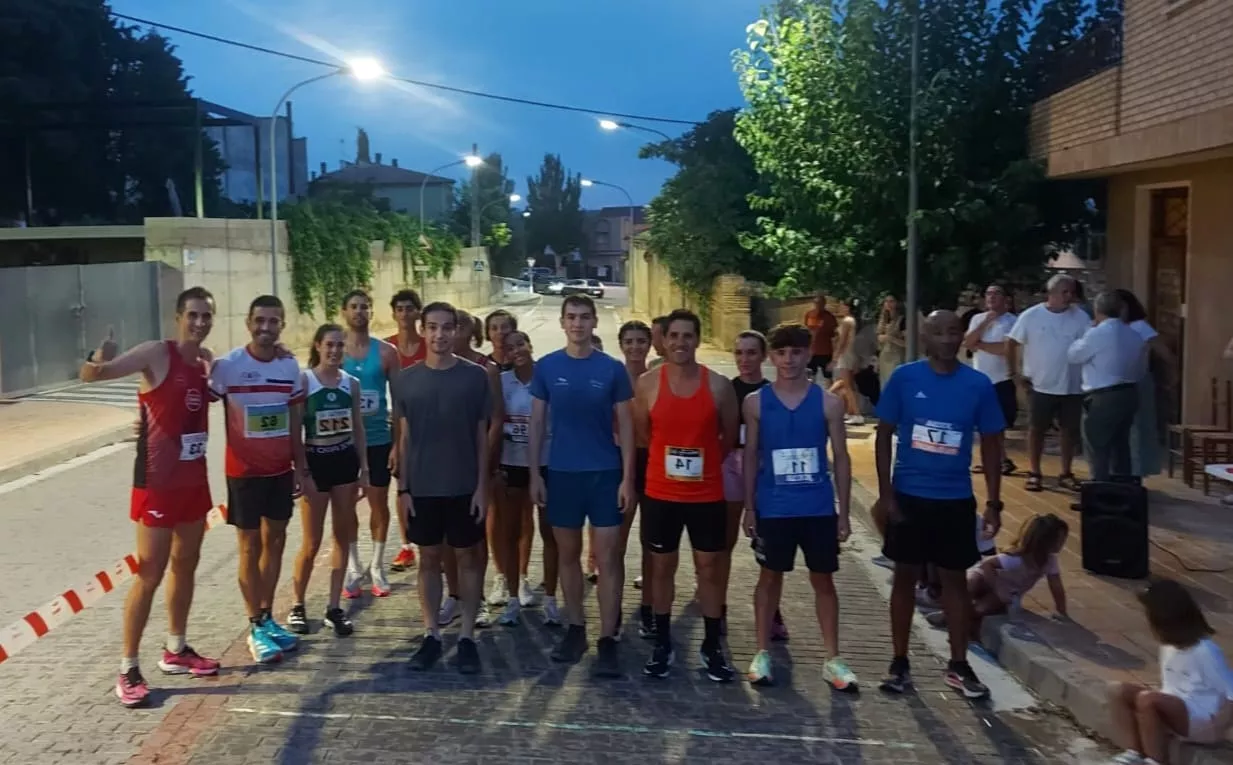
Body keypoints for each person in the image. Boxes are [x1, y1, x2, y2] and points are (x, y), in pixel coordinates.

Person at [81, 287, 222, 708]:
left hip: (194, 481)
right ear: (179, 316)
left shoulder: (206, 360)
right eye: (193, 315)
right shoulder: (155, 354)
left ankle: (175, 649)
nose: (199, 322)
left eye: (206, 316)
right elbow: (91, 376)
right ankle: (127, 668)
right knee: (149, 572)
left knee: (186, 564)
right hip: (157, 483)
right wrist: (97, 356)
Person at [875, 309, 1005, 700]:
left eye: (954, 332)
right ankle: (899, 663)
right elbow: (883, 436)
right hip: (911, 497)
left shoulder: (978, 385)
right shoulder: (905, 378)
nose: (947, 339)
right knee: (904, 578)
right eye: (939, 332)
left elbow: (995, 445)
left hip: (954, 499)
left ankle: (959, 663)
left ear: (962, 336)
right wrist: (887, 493)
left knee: (954, 583)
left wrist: (995, 502)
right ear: (925, 337)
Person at [742, 323, 857, 690]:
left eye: (796, 353)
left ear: (809, 355)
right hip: (773, 506)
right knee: (769, 577)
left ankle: (833, 658)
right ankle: (762, 651)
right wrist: (748, 506)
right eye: (781, 353)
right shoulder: (756, 402)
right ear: (771, 357)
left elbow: (840, 457)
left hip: (818, 507)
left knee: (823, 580)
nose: (788, 360)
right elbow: (751, 456)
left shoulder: (829, 403)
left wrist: (844, 510)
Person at [530, 294, 635, 677]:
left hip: (604, 474)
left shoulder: (612, 370)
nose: (578, 323)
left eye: (584, 317)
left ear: (594, 323)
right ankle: (576, 627)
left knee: (609, 560)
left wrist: (628, 478)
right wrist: (534, 475)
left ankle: (608, 638)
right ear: (562, 323)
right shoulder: (547, 367)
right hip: (562, 475)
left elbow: (626, 426)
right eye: (571, 317)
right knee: (568, 556)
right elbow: (538, 425)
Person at [635, 309, 740, 681]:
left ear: (698, 340)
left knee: (709, 569)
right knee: (661, 568)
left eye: (688, 336)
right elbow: (644, 436)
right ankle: (663, 641)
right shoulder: (647, 384)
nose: (680, 343)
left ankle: (712, 645)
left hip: (706, 494)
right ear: (664, 340)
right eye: (673, 336)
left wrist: (704, 462)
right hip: (661, 493)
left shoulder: (719, 386)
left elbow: (728, 436)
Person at [395, 302, 493, 674]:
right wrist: (403, 489)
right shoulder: (406, 379)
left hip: (464, 486)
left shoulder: (475, 377)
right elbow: (404, 438)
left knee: (468, 558)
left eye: (447, 327)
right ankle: (432, 633)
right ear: (422, 330)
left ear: (457, 331)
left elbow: (482, 437)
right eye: (432, 327)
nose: (439, 334)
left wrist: (482, 487)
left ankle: (467, 636)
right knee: (429, 559)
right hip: (422, 487)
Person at [208, 294, 305, 664]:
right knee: (249, 548)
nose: (266, 328)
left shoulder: (288, 366)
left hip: (280, 472)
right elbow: (199, 403)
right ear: (248, 323)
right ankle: (254, 627)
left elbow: (295, 420)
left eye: (274, 321)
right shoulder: (228, 366)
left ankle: (265, 617)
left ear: (282, 325)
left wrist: (300, 465)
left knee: (276, 543)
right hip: (244, 475)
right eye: (260, 321)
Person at [287, 324, 367, 638]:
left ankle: (334, 607)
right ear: (318, 346)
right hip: (316, 462)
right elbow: (295, 430)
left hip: (344, 461)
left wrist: (364, 471)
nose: (334, 351)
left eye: (339, 346)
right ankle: (297, 604)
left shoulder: (352, 384)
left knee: (342, 536)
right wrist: (301, 469)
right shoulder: (305, 382)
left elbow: (358, 428)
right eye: (329, 345)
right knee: (311, 541)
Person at [1106, 579, 1233, 765]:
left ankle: (1156, 761)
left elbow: (1231, 693)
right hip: (1178, 712)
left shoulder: (1205, 651)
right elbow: (1171, 686)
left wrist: (1218, 727)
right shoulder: (1168, 646)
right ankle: (1134, 753)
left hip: (1201, 722)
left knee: (1147, 700)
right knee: (1117, 690)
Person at [724, 330, 788, 641]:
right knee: (722, 542)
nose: (744, 360)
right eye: (738, 353)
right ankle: (717, 604)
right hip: (729, 467)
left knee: (770, 548)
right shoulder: (725, 390)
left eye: (751, 353)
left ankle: (773, 612)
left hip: (765, 471)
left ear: (763, 357)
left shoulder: (772, 393)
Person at [337, 290, 401, 599]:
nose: (360, 312)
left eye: (365, 307)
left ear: (371, 313)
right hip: (343, 443)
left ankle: (377, 566)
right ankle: (353, 566)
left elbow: (400, 402)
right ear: (344, 312)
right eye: (354, 307)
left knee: (378, 503)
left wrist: (397, 444)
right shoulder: (335, 350)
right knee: (346, 505)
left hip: (377, 439)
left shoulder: (387, 352)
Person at [1006, 275, 1091, 492]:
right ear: (1051, 293)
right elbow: (1011, 343)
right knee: (1036, 429)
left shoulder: (1080, 317)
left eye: (1071, 292)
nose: (1069, 296)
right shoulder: (1031, 316)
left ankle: (1066, 472)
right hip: (1039, 384)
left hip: (1072, 385)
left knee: (1069, 430)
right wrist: (1014, 373)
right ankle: (1034, 472)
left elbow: (1090, 346)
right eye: (1064, 292)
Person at [493, 330, 555, 626]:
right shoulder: (502, 382)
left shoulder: (548, 377)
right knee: (511, 531)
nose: (516, 350)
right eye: (509, 347)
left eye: (521, 344)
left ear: (530, 345)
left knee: (550, 533)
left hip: (546, 464)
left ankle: (552, 599)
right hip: (511, 463)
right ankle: (514, 598)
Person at [448, 310, 503, 629]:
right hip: (444, 464)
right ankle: (454, 595)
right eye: (450, 326)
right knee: (445, 538)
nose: (455, 332)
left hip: (475, 462)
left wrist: (484, 455)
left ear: (472, 331)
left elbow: (497, 418)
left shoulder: (486, 369)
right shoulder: (435, 366)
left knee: (475, 536)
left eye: (462, 326)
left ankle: (477, 598)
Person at [926, 513, 1068, 636]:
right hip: (987, 578)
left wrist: (1062, 611)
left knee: (982, 608)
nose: (1062, 545)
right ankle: (949, 613)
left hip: (1006, 593)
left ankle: (959, 619)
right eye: (1059, 541)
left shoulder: (1049, 562)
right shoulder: (1016, 559)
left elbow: (1056, 586)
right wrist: (998, 586)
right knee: (970, 583)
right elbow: (987, 565)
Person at [1067, 291, 1144, 482]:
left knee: (1097, 446)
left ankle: (1099, 490)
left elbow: (1074, 355)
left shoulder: (1097, 333)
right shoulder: (1134, 334)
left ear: (1097, 309)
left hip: (1103, 395)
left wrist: (1086, 333)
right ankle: (1122, 489)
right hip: (1129, 392)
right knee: (1121, 445)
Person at [618, 320, 656, 637]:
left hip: (653, 463)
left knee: (651, 540)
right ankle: (612, 604)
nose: (635, 347)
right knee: (615, 539)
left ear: (649, 344)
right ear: (621, 345)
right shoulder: (611, 378)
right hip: (617, 463)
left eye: (640, 341)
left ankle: (648, 607)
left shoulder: (656, 380)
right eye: (629, 341)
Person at [387, 289, 426, 573]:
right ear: (393, 314)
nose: (404, 314)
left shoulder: (429, 345)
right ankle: (406, 545)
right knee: (401, 484)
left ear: (417, 313)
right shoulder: (387, 348)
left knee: (426, 484)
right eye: (399, 309)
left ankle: (428, 540)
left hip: (426, 424)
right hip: (394, 424)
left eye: (409, 308)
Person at [963, 284, 1019, 476]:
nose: (992, 297)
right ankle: (993, 459)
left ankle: (1000, 459)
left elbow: (1005, 349)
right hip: (981, 378)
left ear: (1006, 299)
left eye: (997, 293)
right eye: (988, 293)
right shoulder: (978, 318)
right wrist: (984, 323)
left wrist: (980, 344)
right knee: (982, 423)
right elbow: (968, 343)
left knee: (998, 423)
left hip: (1002, 378)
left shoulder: (1013, 321)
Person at [1116, 289, 1168, 479]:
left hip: (1138, 381)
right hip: (1115, 382)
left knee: (1137, 428)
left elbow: (1162, 350)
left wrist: (1172, 372)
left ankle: (1136, 471)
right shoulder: (1109, 327)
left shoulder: (1139, 326)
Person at [829, 300, 864, 425]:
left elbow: (843, 341)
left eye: (842, 305)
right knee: (846, 384)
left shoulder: (847, 321)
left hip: (846, 354)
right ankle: (850, 411)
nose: (840, 307)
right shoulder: (852, 320)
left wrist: (835, 357)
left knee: (847, 384)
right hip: (850, 353)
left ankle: (857, 413)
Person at [804, 293, 838, 382]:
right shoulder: (809, 315)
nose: (818, 305)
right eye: (816, 303)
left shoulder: (829, 317)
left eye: (821, 303)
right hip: (811, 352)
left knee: (828, 378)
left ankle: (829, 395)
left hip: (826, 352)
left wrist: (835, 357)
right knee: (809, 377)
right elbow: (805, 332)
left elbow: (835, 337)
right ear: (813, 303)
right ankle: (811, 395)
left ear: (824, 304)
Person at [876, 295, 906, 385]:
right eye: (886, 301)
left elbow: (907, 343)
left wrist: (890, 338)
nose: (888, 304)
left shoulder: (903, 320)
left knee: (895, 383)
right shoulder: (883, 319)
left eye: (891, 301)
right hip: (884, 356)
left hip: (897, 356)